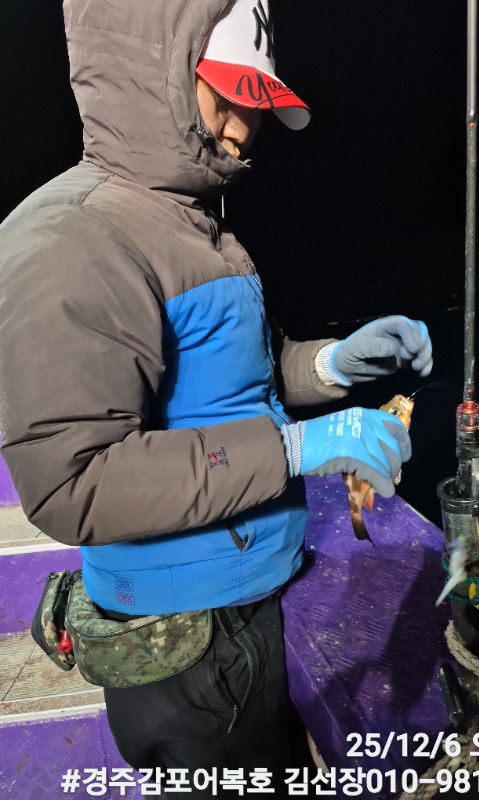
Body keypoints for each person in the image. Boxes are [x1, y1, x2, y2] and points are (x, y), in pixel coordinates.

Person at [0, 0, 432, 793]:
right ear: (154, 70)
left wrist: (337, 363)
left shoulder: (193, 224)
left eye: (256, 102)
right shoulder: (74, 237)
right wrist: (301, 447)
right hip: (185, 648)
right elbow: (75, 484)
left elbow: (246, 378)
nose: (241, 128)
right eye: (224, 94)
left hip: (245, 610)